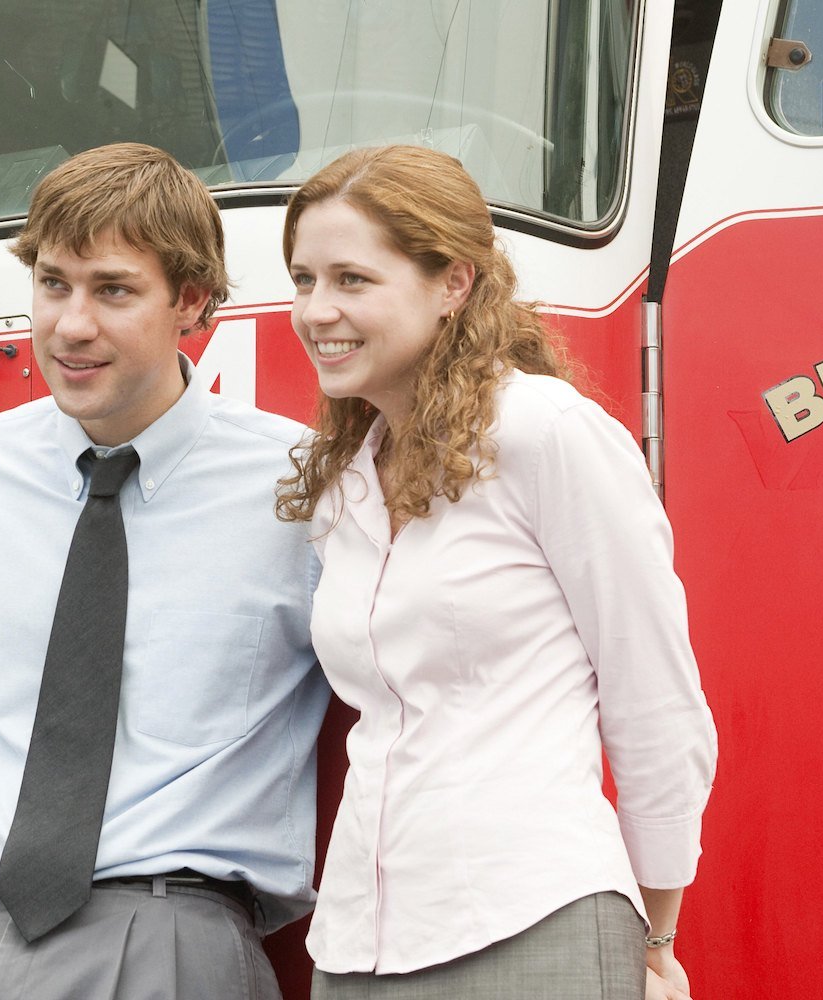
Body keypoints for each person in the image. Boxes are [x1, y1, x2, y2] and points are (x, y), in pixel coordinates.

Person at [0, 142, 330, 1000]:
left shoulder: (301, 486)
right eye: (53, 284)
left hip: (172, 934)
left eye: (113, 290)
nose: (70, 325)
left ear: (192, 301)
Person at [277, 145, 718, 1000]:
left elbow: (654, 694)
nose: (316, 311)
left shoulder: (545, 431)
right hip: (358, 943)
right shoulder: (343, 477)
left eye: (352, 280)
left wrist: (654, 933)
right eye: (303, 279)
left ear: (454, 284)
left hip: (534, 916)